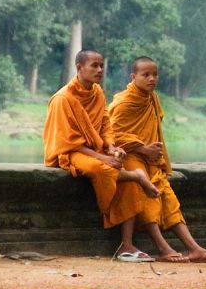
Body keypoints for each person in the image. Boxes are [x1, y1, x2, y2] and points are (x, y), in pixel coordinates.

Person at [43, 49, 161, 262]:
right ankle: (136, 176)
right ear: (79, 67)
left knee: (120, 173)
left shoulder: (97, 92)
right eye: (94, 66)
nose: (99, 70)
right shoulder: (63, 99)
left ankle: (126, 245)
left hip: (94, 150)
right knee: (103, 169)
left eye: (101, 66)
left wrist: (111, 147)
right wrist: (103, 158)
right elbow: (68, 142)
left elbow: (106, 124)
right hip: (71, 152)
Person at [108, 56, 206, 264]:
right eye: (146, 75)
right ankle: (163, 247)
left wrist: (150, 152)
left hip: (150, 158)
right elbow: (110, 134)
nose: (152, 79)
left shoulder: (152, 98)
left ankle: (194, 248)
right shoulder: (124, 101)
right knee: (147, 191)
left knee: (169, 198)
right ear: (133, 77)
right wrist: (143, 148)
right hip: (131, 156)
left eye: (155, 74)